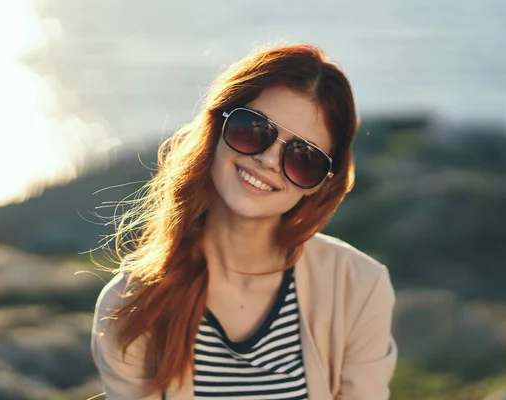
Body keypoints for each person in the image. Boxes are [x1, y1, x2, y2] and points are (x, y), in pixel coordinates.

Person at [91, 43, 397, 400]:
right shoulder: (131, 304)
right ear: (216, 126)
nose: (268, 160)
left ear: (321, 183)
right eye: (253, 129)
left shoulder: (359, 286)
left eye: (303, 156)